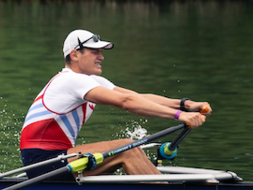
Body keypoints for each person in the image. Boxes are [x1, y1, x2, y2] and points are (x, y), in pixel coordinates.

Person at [19, 29, 210, 177]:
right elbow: (127, 102)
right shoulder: (70, 80)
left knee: (129, 148)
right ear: (75, 54)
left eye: (101, 52)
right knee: (128, 148)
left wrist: (184, 105)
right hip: (43, 162)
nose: (101, 57)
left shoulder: (90, 80)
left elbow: (137, 97)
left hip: (60, 158)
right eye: (95, 52)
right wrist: (179, 116)